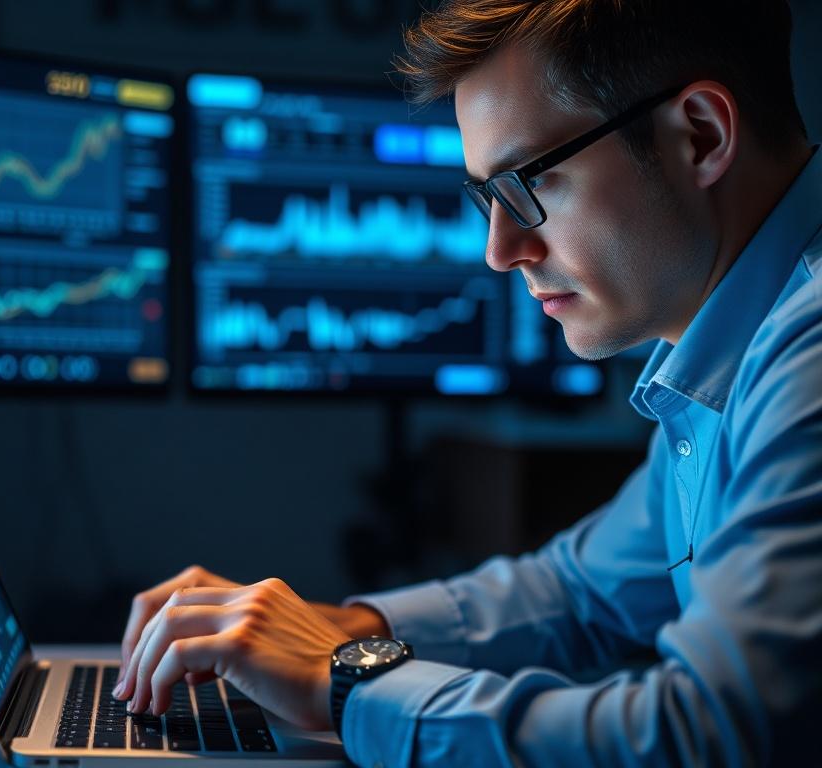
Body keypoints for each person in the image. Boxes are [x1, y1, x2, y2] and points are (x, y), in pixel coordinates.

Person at [115, 0, 822, 763]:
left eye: (526, 182)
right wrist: (344, 632)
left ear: (700, 136)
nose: (499, 249)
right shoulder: (731, 356)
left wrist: (344, 682)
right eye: (487, 196)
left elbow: (712, 734)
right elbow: (582, 592)